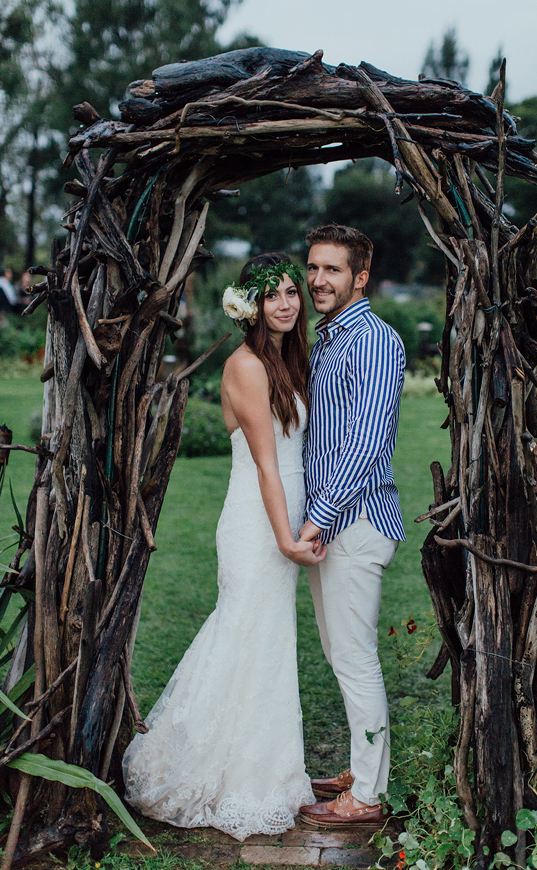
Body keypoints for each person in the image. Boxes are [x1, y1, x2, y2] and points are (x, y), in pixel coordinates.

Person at [123, 253, 324, 841]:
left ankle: (261, 767)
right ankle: (224, 774)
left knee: (264, 641)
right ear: (251, 307)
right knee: (246, 634)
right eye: (273, 296)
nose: (287, 303)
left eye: (292, 292)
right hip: (256, 522)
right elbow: (266, 463)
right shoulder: (247, 367)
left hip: (283, 515)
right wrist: (286, 538)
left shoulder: (284, 362)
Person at [298, 225, 406, 828]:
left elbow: (365, 443)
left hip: (356, 522)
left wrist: (320, 516)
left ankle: (366, 795)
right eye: (313, 267)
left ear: (360, 277)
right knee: (342, 653)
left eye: (332, 270)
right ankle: (362, 767)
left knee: (355, 655)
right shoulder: (335, 337)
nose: (317, 280)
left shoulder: (372, 342)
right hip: (339, 522)